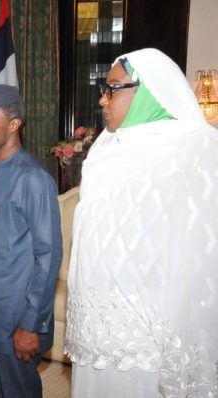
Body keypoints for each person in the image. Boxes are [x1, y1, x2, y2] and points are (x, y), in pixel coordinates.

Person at [64, 48, 218, 397]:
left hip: (155, 326)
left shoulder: (198, 150)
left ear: (150, 90)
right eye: (103, 89)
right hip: (99, 320)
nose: (103, 100)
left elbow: (206, 250)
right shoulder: (104, 150)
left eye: (113, 88)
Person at [0, 84, 63, 397]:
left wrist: (32, 324)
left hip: (16, 320)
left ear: (13, 124)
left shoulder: (33, 179)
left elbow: (48, 258)